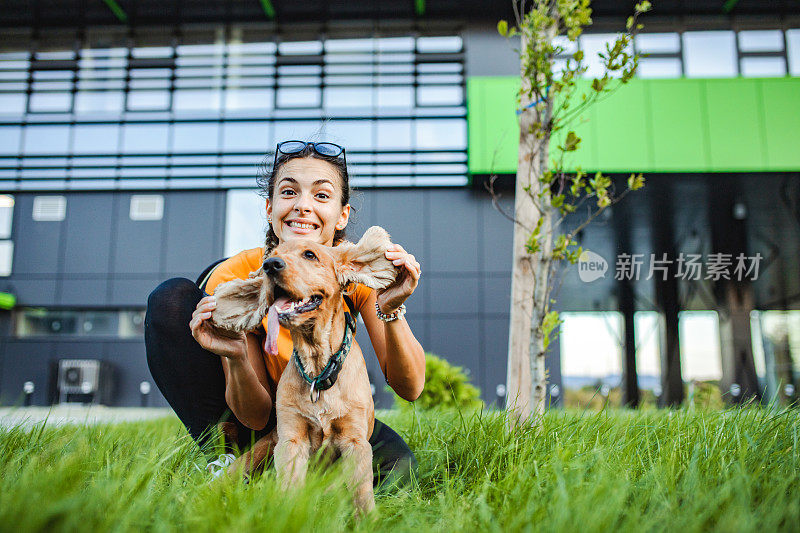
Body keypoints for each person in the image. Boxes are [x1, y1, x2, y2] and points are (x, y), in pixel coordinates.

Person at [145, 140, 425, 486]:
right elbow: (256, 414)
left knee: (400, 470)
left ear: (342, 215)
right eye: (289, 192)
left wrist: (392, 309)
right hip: (265, 413)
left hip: (332, 409)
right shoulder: (239, 275)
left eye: (321, 196)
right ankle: (223, 452)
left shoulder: (352, 272)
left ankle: (306, 467)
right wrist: (234, 356)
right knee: (170, 299)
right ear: (270, 206)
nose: (303, 206)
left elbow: (410, 388)